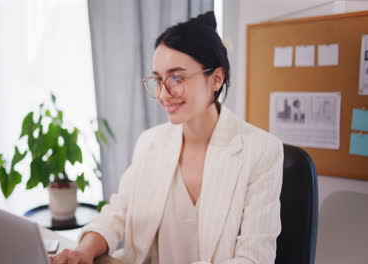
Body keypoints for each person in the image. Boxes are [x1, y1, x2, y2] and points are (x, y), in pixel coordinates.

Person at [51, 11, 283, 264]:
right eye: (159, 80)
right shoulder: (150, 142)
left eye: (176, 77)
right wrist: (83, 250)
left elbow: (255, 258)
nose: (163, 94)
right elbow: (118, 212)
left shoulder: (261, 151)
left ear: (216, 79)